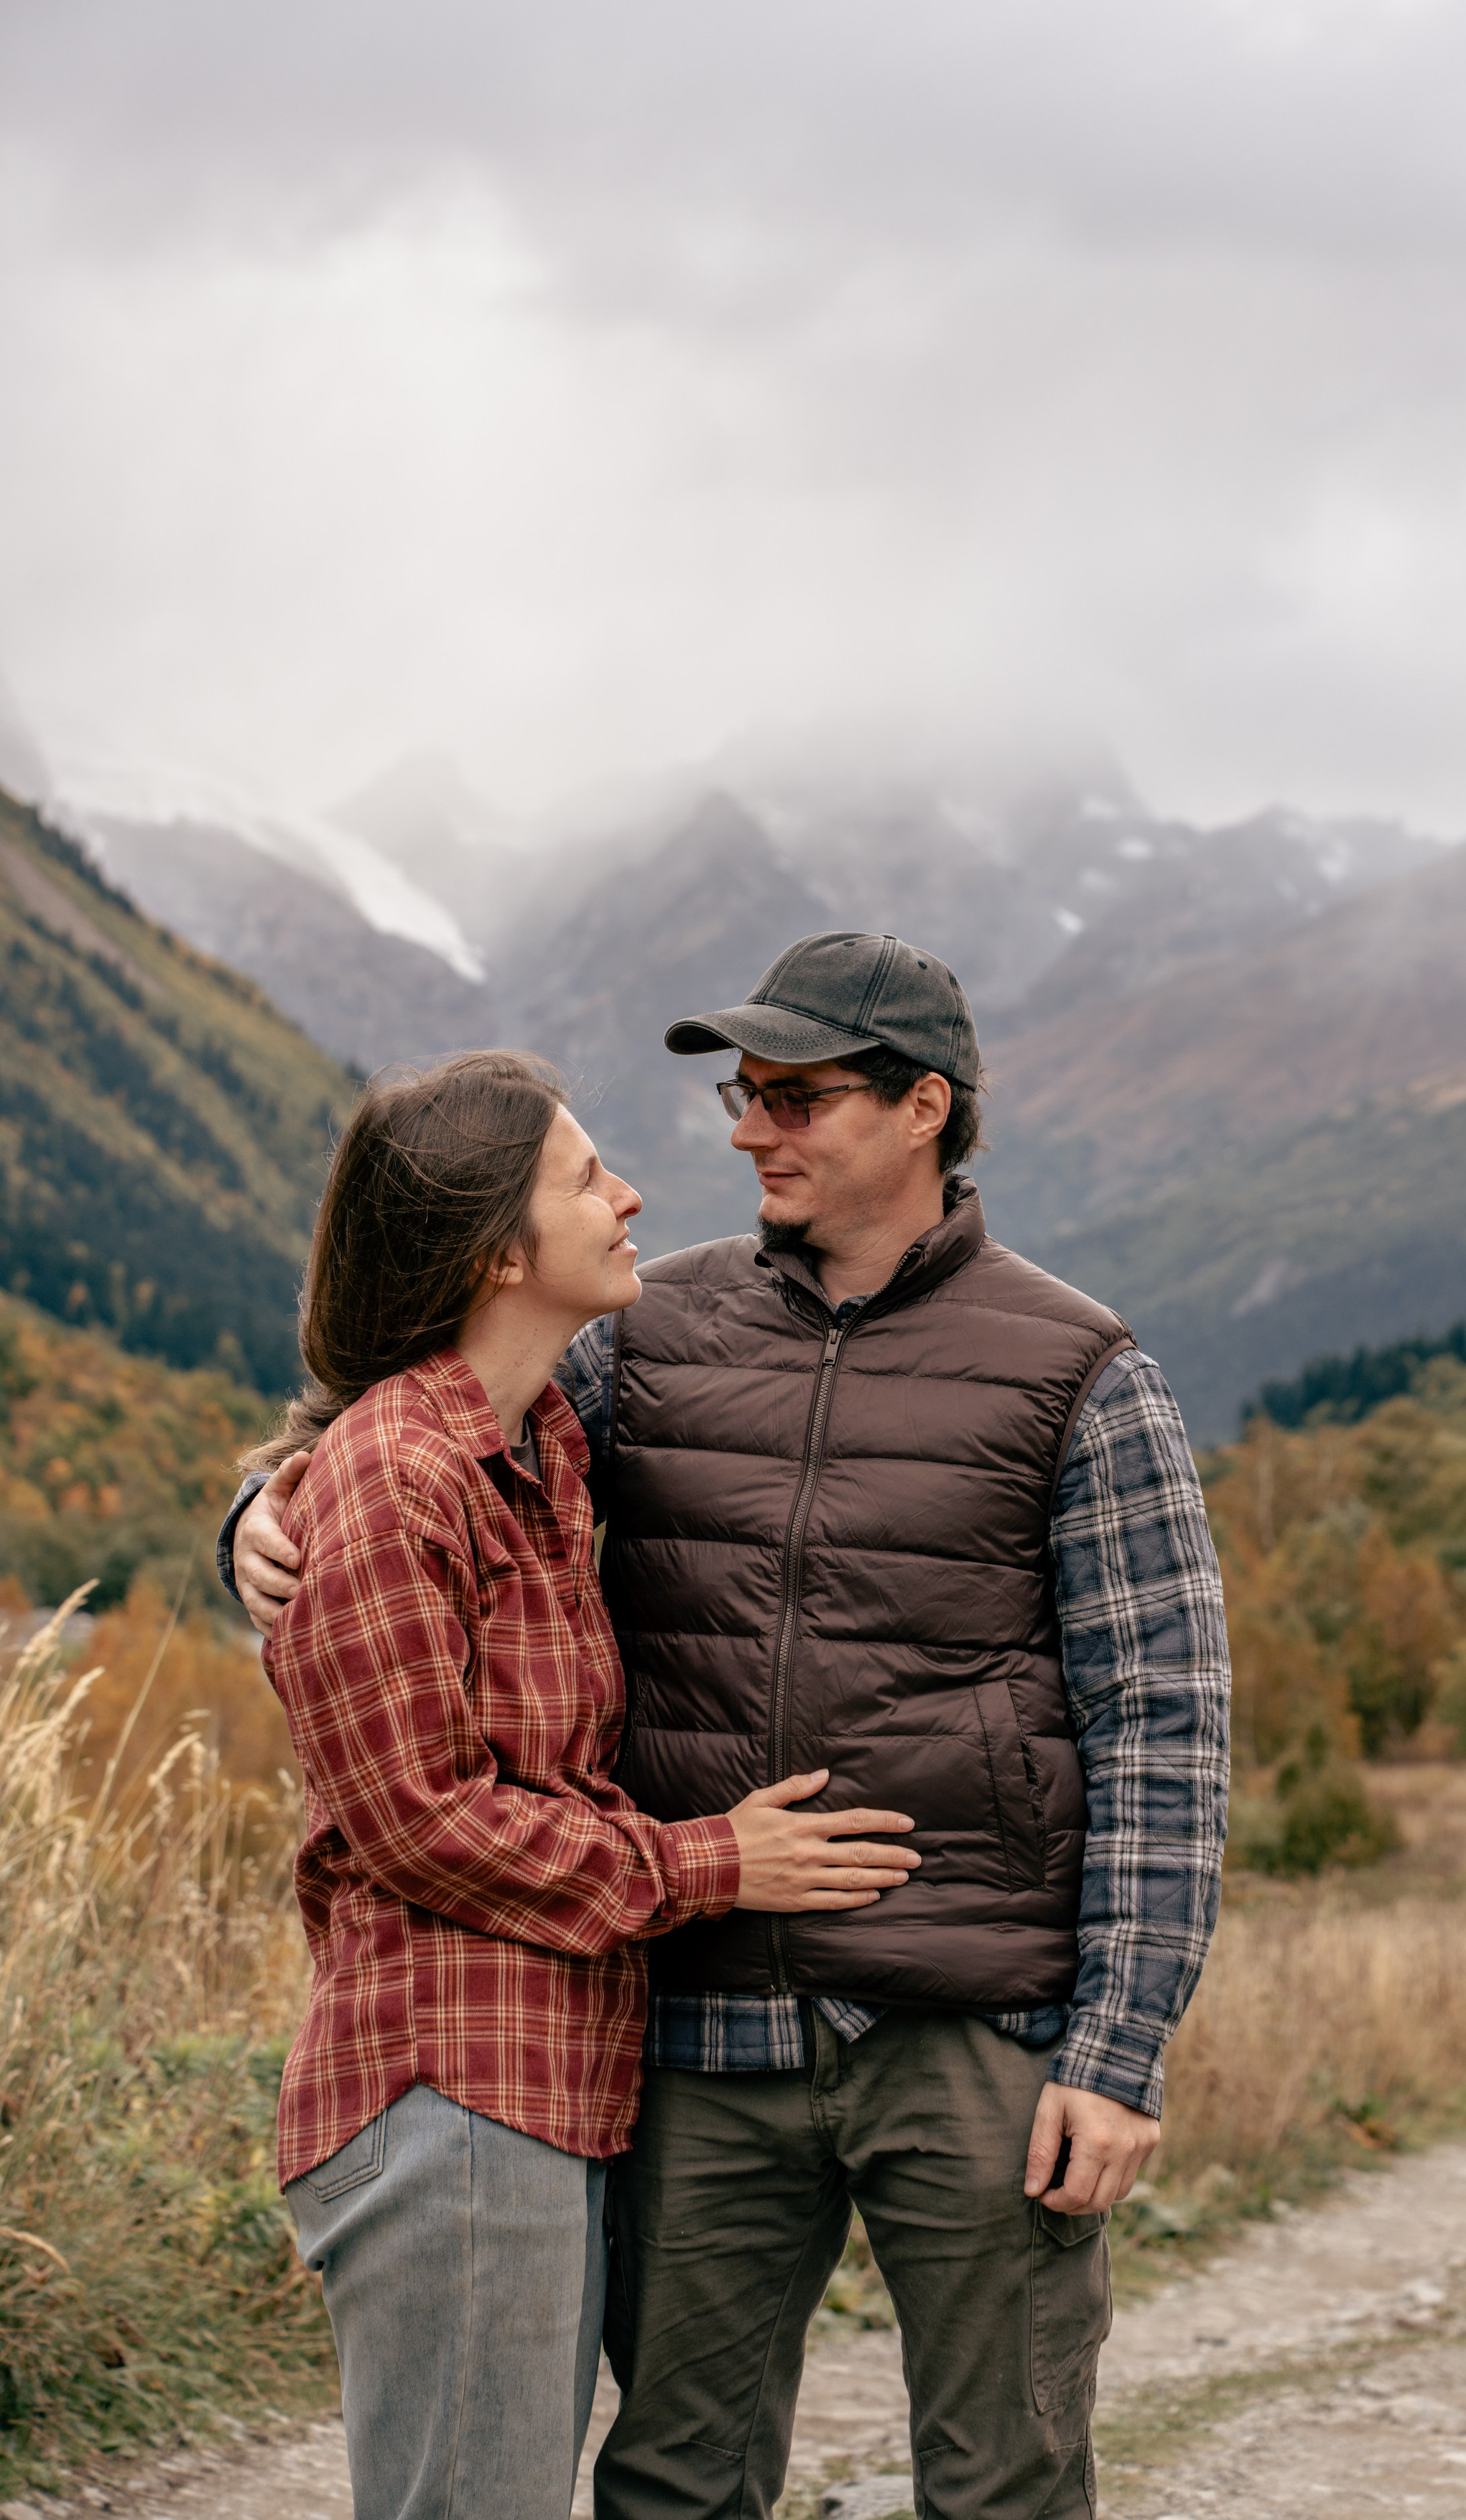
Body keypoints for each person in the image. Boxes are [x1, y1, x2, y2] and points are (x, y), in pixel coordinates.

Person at [228, 942, 1231, 2520]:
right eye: (738, 1092)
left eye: (792, 1095)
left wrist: (1118, 2051)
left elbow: (1163, 1727)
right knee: (676, 2482)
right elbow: (416, 1435)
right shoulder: (649, 1335)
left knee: (1007, 2481)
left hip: (969, 2031)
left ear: (921, 1110)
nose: (747, 1128)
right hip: (696, 2035)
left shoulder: (1079, 1373)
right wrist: (252, 1516)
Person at [248, 1048, 919, 2520]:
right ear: (497, 1248)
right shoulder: (395, 1479)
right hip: (450, 2090)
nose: (627, 1197)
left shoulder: (538, 1441)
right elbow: (419, 1821)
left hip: (542, 2088)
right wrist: (708, 1867)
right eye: (582, 1179)